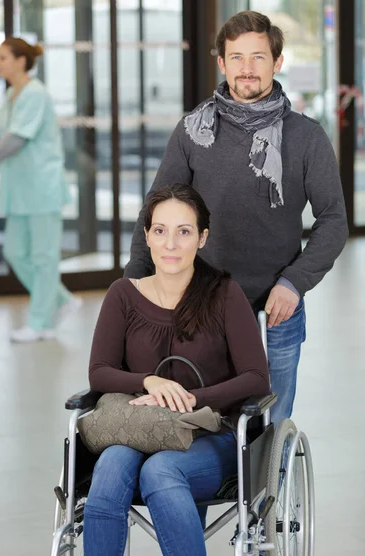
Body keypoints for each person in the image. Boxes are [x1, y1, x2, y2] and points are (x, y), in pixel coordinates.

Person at [124, 10, 348, 430]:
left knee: (273, 420)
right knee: (207, 414)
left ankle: (268, 487)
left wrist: (293, 283)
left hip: (277, 300)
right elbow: (154, 211)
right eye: (237, 57)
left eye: (258, 57)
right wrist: (134, 284)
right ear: (222, 63)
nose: (247, 68)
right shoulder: (193, 131)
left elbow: (334, 220)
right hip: (203, 297)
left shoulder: (306, 136)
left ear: (277, 62)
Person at [85, 183, 270, 556]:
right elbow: (99, 373)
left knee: (160, 470)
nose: (171, 243)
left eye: (184, 232)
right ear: (147, 235)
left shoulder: (224, 294)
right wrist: (149, 382)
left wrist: (190, 399)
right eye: (160, 231)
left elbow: (257, 378)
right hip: (141, 428)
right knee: (111, 465)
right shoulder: (123, 295)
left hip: (209, 434)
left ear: (202, 238)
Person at [0, 37, 81, 342]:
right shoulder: (13, 95)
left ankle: (41, 321)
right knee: (15, 253)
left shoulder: (35, 94)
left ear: (20, 61)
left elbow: (15, 138)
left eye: (2, 57)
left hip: (42, 188)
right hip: (20, 190)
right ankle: (62, 299)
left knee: (43, 258)